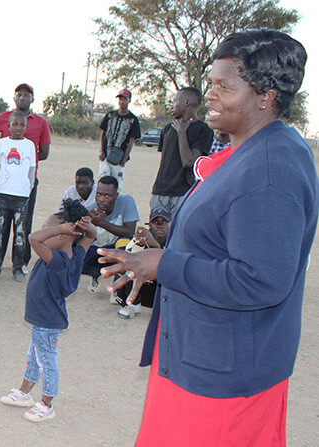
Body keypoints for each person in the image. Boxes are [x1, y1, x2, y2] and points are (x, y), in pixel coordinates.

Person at [98, 30, 317, 446]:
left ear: (265, 96)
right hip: (200, 356)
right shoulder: (247, 151)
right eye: (210, 83)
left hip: (227, 380)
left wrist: (165, 265)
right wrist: (162, 255)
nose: (209, 95)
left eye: (223, 86)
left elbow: (262, 279)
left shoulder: (272, 168)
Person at [0, 200, 95, 422]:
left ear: (64, 235)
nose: (44, 233)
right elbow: (90, 236)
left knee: (46, 361)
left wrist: (61, 228)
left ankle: (46, 403)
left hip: (46, 321)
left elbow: (34, 238)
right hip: (43, 320)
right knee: (34, 356)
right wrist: (85, 225)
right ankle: (24, 391)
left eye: (49, 229)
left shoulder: (57, 260)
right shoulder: (76, 254)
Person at [0, 83, 51, 269]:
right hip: (4, 184)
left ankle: (21, 263)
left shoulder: (41, 123)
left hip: (26, 183)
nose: (22, 98)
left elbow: (43, 153)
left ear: (32, 99)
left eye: (26, 95)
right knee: (0, 223)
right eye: (19, 94)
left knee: (23, 224)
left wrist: (24, 167)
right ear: (14, 97)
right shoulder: (3, 118)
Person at [0, 111, 36, 282]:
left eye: (22, 125)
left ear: (26, 127)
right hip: (2, 194)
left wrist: (27, 190)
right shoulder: (2, 143)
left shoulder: (29, 145)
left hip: (21, 195)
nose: (18, 128)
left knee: (20, 233)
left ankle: (18, 267)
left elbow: (31, 170)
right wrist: (0, 184)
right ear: (8, 126)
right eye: (15, 124)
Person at [150, 87, 214, 216]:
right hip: (160, 191)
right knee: (158, 232)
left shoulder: (204, 130)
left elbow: (188, 161)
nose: (172, 105)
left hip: (182, 192)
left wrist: (182, 132)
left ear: (187, 102)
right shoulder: (168, 129)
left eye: (175, 101)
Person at [82, 176, 139, 295]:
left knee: (125, 244)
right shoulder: (90, 210)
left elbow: (130, 231)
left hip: (117, 250)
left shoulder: (126, 201)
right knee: (80, 250)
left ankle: (118, 289)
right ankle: (95, 273)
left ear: (116, 196)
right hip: (99, 251)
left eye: (107, 196)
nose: (101, 199)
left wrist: (102, 223)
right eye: (99, 194)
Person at [114, 207, 171, 319]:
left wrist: (155, 245)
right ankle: (133, 305)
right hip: (146, 291)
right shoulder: (140, 239)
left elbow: (174, 266)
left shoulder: (178, 240)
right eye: (155, 222)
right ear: (149, 225)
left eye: (163, 222)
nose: (159, 225)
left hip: (165, 290)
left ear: (171, 224)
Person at [98, 89, 141, 192]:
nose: (122, 101)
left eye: (124, 99)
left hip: (119, 157)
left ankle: (116, 206)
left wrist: (123, 160)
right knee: (103, 181)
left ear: (129, 100)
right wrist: (101, 151)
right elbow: (103, 133)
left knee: (116, 185)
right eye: (120, 99)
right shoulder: (110, 115)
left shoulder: (133, 119)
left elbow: (131, 141)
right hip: (106, 154)